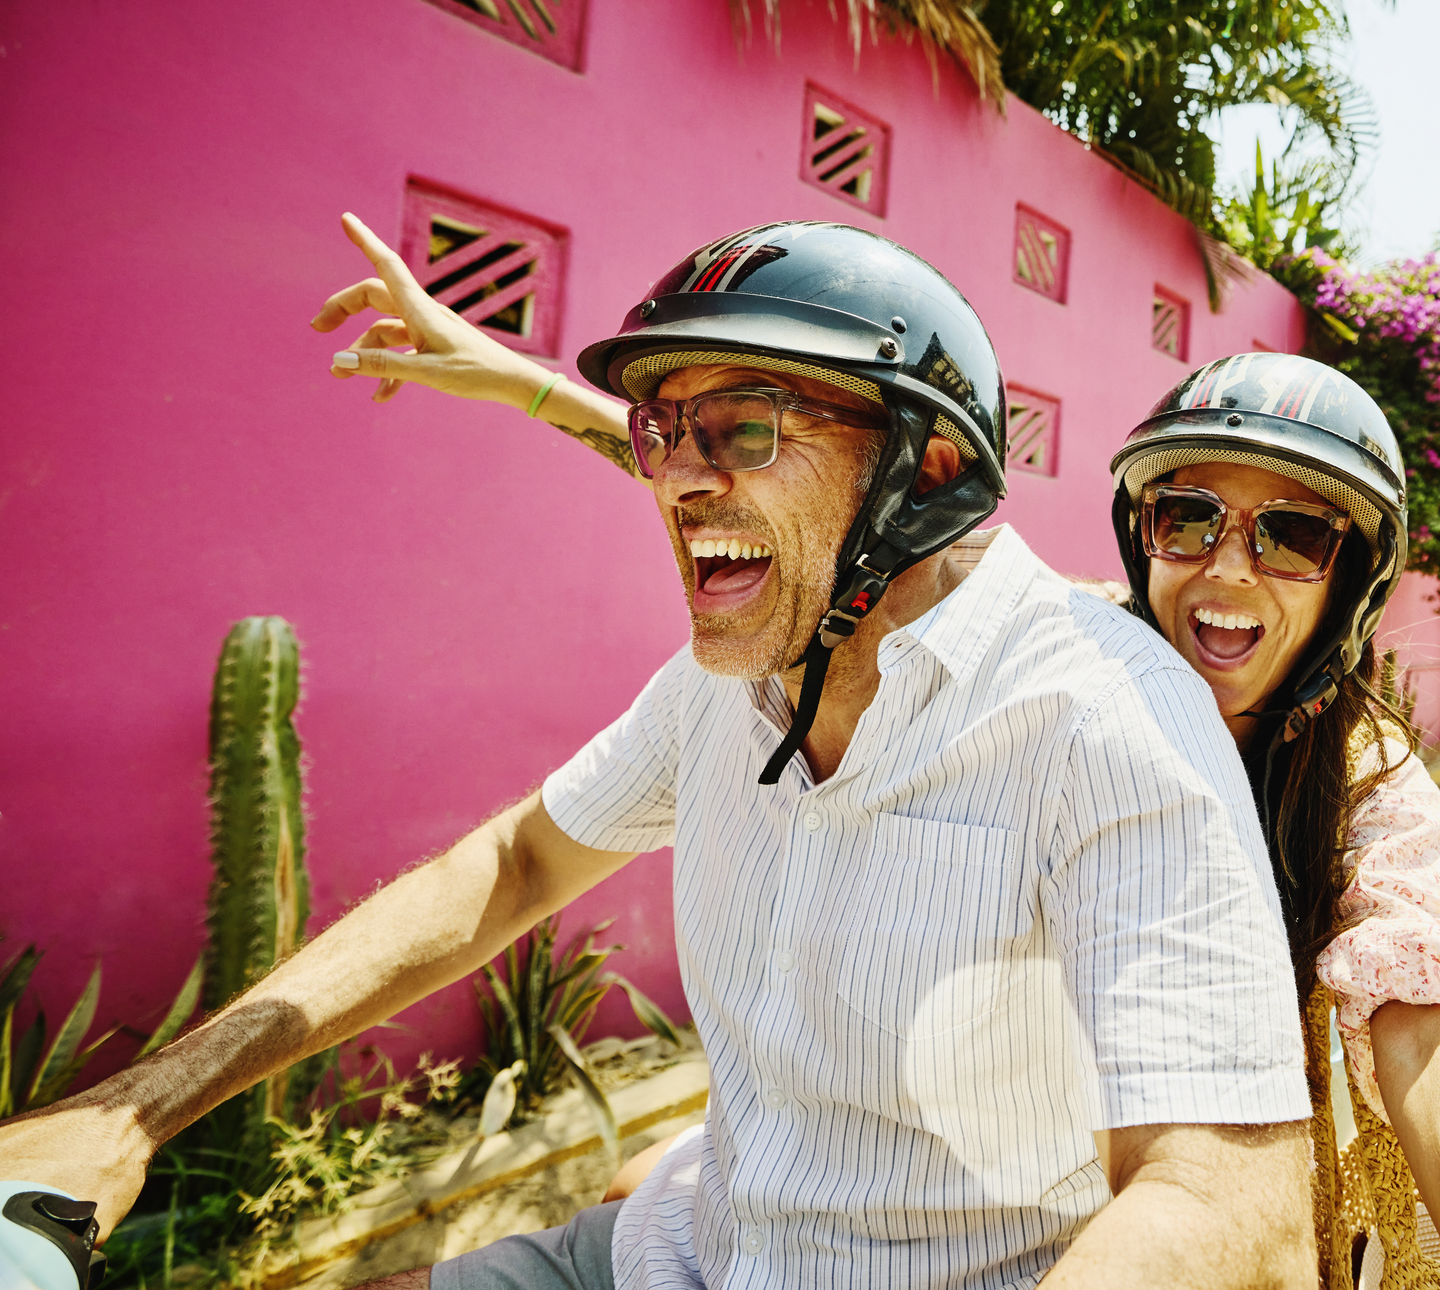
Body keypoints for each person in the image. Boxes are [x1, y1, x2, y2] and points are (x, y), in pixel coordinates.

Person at [0, 217, 1321, 1290]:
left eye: (743, 427)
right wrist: (133, 1105)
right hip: (673, 1250)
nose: (676, 480)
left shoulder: (1109, 717)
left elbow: (1228, 1194)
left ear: (925, 466)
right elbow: (516, 863)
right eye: (661, 430)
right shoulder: (729, 680)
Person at [306, 231, 1440, 1288]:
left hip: (1154, 1214)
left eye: (1291, 536)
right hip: (922, 1163)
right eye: (1188, 514)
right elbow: (799, 501)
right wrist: (514, 373)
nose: (1226, 566)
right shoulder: (1065, 662)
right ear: (1138, 525)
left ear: (1350, 586)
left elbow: (1432, 1029)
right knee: (630, 1190)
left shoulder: (1366, 781)